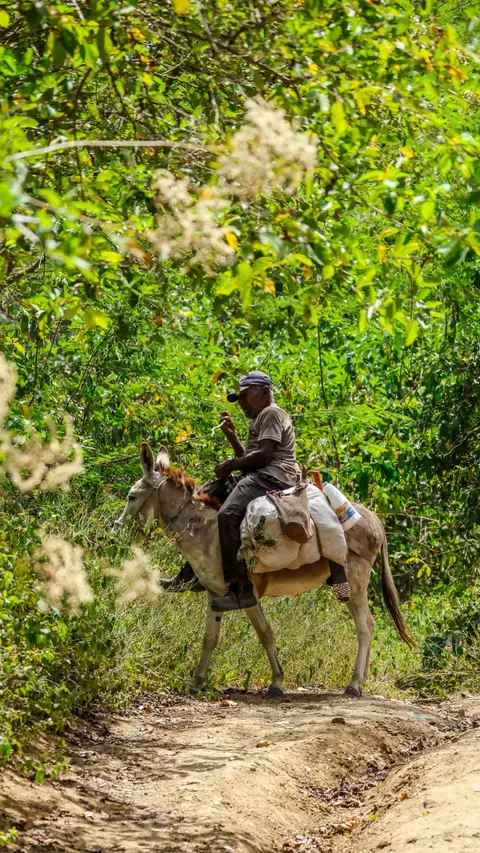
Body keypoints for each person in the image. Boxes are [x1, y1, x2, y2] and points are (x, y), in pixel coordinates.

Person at [210, 371, 300, 612]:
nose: (241, 403)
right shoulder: (260, 418)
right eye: (239, 398)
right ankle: (195, 569)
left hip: (274, 476)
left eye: (245, 396)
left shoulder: (271, 413)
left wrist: (230, 465)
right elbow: (249, 458)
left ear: (266, 392)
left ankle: (241, 590)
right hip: (259, 474)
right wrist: (231, 437)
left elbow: (264, 457)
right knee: (207, 496)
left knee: (226, 516)